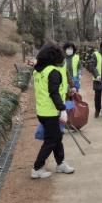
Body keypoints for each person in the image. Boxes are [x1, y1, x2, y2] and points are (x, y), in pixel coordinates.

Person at [31, 43, 75, 179]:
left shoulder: (38, 71)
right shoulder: (53, 72)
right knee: (51, 140)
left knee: (57, 137)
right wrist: (63, 110)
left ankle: (60, 163)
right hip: (51, 112)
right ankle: (37, 167)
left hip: (42, 111)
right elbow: (54, 93)